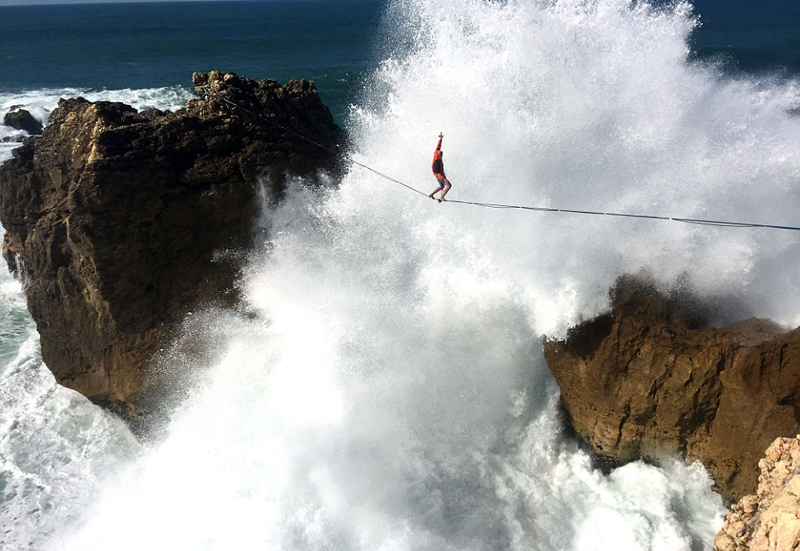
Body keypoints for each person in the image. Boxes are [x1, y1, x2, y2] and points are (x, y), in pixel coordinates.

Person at [429, 132, 452, 202]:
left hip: (440, 175)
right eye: (441, 155)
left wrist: (440, 139)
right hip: (439, 175)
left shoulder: (437, 152)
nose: (442, 156)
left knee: (442, 186)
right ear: (439, 156)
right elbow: (437, 172)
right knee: (449, 185)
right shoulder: (436, 162)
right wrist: (443, 178)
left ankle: (431, 194)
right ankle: (442, 197)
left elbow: (438, 146)